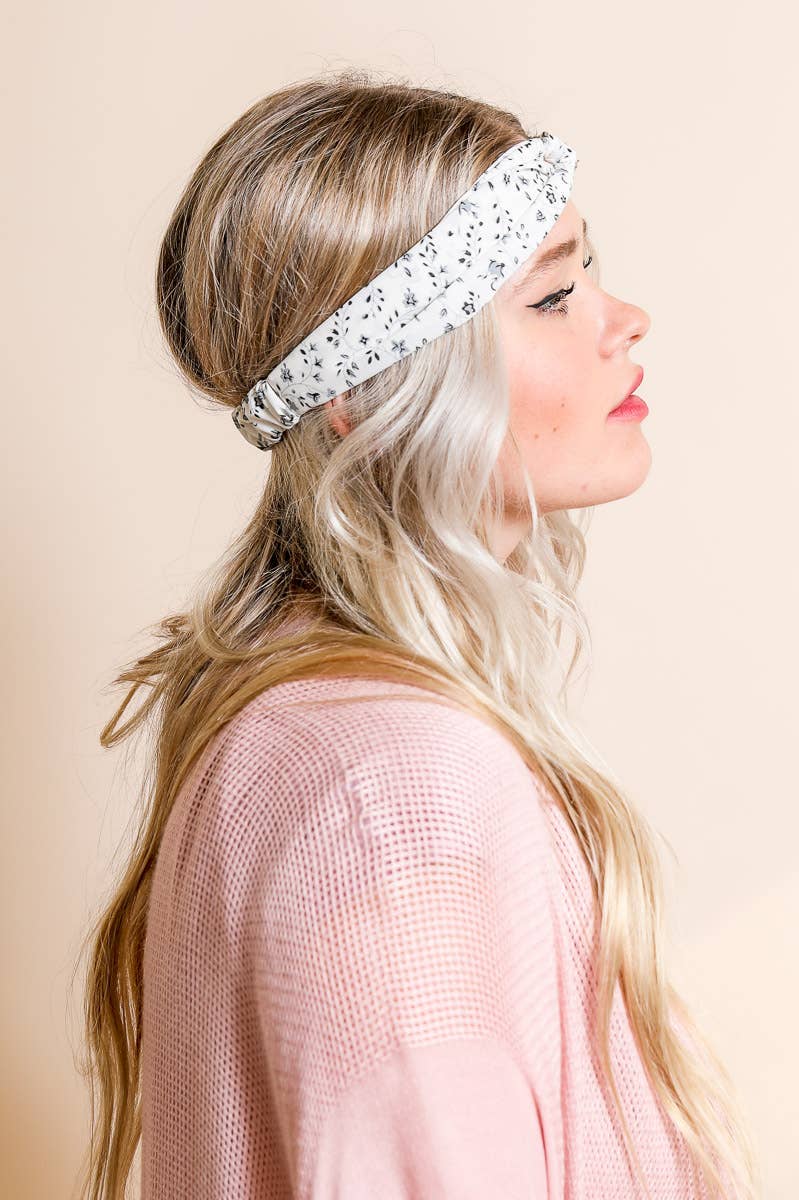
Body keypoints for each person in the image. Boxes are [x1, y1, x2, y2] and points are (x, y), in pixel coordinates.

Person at [73, 70, 761, 1199]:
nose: (623, 320)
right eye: (551, 297)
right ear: (366, 389)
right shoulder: (397, 799)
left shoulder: (297, 727)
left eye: (588, 270)